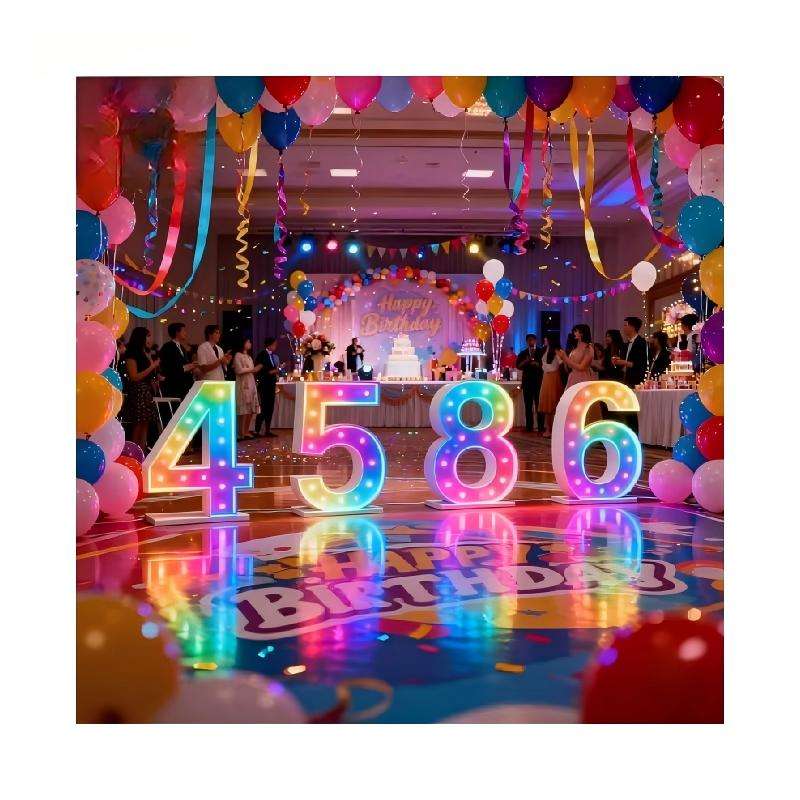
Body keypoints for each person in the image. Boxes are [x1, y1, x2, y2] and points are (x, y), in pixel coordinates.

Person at [121, 326, 160, 450]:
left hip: (147, 390)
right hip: (138, 390)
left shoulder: (146, 353)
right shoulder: (131, 353)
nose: (150, 339)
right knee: (138, 424)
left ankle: (141, 451)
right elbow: (134, 376)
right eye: (148, 336)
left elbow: (149, 373)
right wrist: (152, 366)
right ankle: (133, 451)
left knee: (145, 423)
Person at [611, 316, 649, 434]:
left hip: (636, 380)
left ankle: (636, 433)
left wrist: (623, 362)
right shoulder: (626, 344)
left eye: (626, 325)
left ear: (633, 327)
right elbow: (625, 362)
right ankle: (629, 432)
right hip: (625, 379)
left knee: (635, 410)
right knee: (626, 409)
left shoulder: (641, 343)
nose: (623, 328)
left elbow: (640, 364)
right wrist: (617, 362)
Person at [232, 337, 262, 440]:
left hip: (250, 382)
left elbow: (251, 370)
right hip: (243, 384)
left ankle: (246, 431)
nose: (250, 343)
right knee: (243, 409)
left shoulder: (249, 357)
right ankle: (240, 432)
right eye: (248, 342)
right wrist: (252, 369)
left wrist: (253, 370)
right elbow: (238, 370)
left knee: (250, 409)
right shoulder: (238, 355)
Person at [159, 322, 196, 403]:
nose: (185, 333)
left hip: (183, 384)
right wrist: (186, 367)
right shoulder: (168, 347)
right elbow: (168, 367)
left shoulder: (181, 347)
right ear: (177, 332)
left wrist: (190, 366)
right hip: (173, 385)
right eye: (183, 331)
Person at [537, 334, 564, 438]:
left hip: (553, 377)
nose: (544, 340)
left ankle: (553, 429)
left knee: (552, 403)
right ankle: (548, 428)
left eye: (546, 338)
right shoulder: (545, 349)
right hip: (546, 377)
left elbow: (562, 363)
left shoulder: (557, 351)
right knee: (546, 403)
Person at [516, 333, 544, 433]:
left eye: (532, 340)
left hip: (539, 382)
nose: (530, 342)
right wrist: (527, 361)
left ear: (535, 341)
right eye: (528, 340)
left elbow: (546, 365)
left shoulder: (541, 351)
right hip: (527, 382)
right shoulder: (523, 353)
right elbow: (518, 366)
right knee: (528, 405)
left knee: (539, 405)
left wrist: (538, 364)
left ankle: (541, 427)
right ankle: (529, 427)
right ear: (526, 341)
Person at [254, 337, 280, 437]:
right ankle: (257, 430)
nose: (275, 346)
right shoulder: (262, 354)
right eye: (274, 344)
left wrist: (275, 371)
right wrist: (273, 371)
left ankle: (267, 430)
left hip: (271, 384)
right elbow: (260, 370)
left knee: (270, 407)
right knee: (264, 407)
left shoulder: (272, 355)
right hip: (264, 384)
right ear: (269, 345)